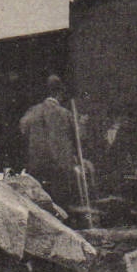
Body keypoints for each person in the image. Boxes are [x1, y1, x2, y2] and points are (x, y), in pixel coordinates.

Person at [17, 75, 88, 211]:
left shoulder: (33, 111)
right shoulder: (65, 114)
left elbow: (23, 129)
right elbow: (79, 138)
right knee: (60, 205)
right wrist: (82, 123)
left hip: (37, 165)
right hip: (60, 167)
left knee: (39, 205)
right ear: (60, 94)